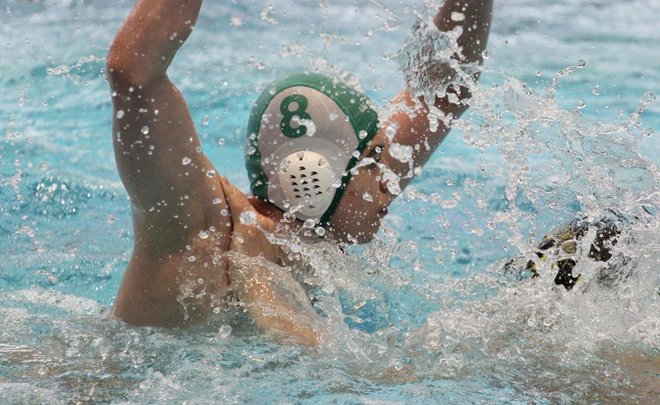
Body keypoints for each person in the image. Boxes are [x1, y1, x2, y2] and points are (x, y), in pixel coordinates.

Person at [106, 0, 493, 345]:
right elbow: (132, 74)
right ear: (311, 176)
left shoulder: (324, 226)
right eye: (374, 160)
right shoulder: (205, 234)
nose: (389, 178)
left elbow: (443, 91)